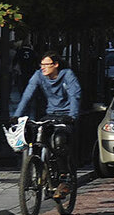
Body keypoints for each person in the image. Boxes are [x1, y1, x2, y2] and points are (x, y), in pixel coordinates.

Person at [13, 52, 81, 199]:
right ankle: (39, 169)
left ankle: (64, 177)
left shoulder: (67, 75)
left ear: (55, 65)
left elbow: (75, 95)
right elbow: (27, 95)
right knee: (36, 138)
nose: (43, 68)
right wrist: (17, 115)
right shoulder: (38, 76)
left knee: (58, 142)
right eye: (41, 65)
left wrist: (72, 116)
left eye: (46, 65)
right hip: (49, 113)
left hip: (66, 115)